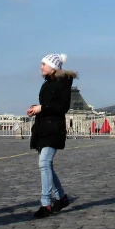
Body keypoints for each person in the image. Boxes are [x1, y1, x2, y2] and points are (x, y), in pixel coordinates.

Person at [29, 53, 76, 218]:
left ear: (53, 67)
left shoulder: (63, 83)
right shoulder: (45, 84)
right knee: (47, 165)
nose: (41, 67)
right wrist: (37, 108)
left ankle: (45, 204)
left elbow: (62, 106)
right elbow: (47, 106)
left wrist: (42, 108)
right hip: (43, 129)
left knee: (44, 163)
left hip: (54, 130)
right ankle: (62, 198)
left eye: (44, 64)